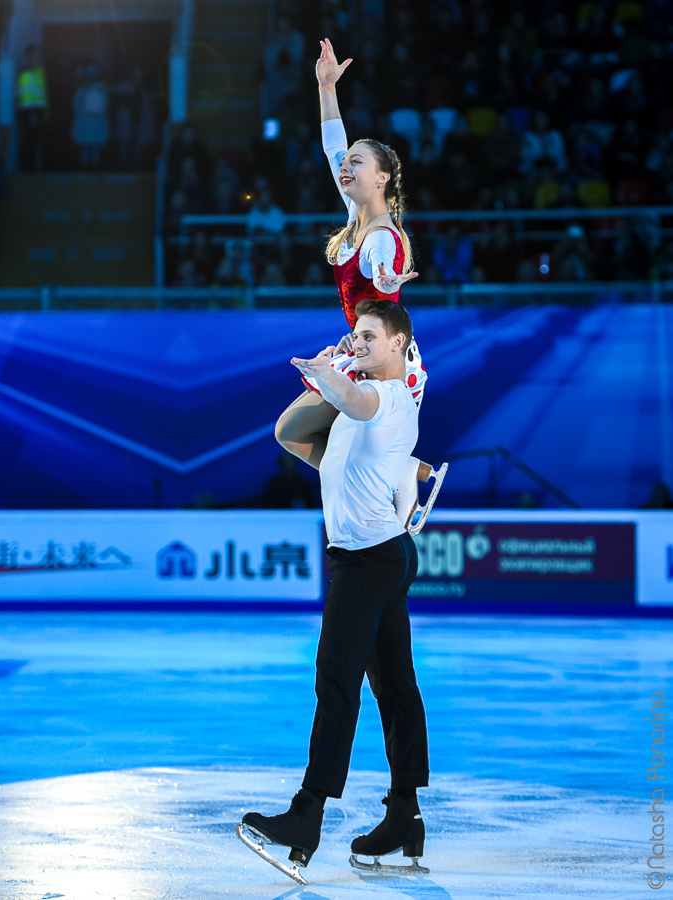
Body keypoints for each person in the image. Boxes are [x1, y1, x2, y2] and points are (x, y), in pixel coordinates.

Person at [238, 300, 429, 882]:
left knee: (336, 680)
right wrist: (322, 374)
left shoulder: (389, 399)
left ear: (399, 344)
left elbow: (361, 399)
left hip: (367, 561)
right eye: (355, 335)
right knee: (394, 687)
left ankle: (307, 816)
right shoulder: (351, 412)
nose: (360, 343)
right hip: (384, 555)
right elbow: (289, 435)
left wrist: (336, 380)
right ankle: (404, 818)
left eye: (370, 336)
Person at [274, 38, 442, 530]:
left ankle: (397, 477)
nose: (345, 166)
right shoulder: (355, 216)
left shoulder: (382, 240)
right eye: (347, 164)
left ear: (384, 177)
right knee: (297, 436)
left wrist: (387, 282)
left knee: (293, 430)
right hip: (363, 347)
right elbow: (331, 146)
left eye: (358, 163)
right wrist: (326, 87)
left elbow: (383, 283)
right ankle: (402, 474)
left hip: (382, 361)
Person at [16, 45, 48, 172]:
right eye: (37, 53)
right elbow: (26, 94)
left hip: (38, 111)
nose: (40, 56)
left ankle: (32, 170)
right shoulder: (26, 71)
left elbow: (41, 93)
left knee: (35, 143)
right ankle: (27, 172)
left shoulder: (39, 70)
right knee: (29, 142)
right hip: (30, 112)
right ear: (29, 56)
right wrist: (31, 114)